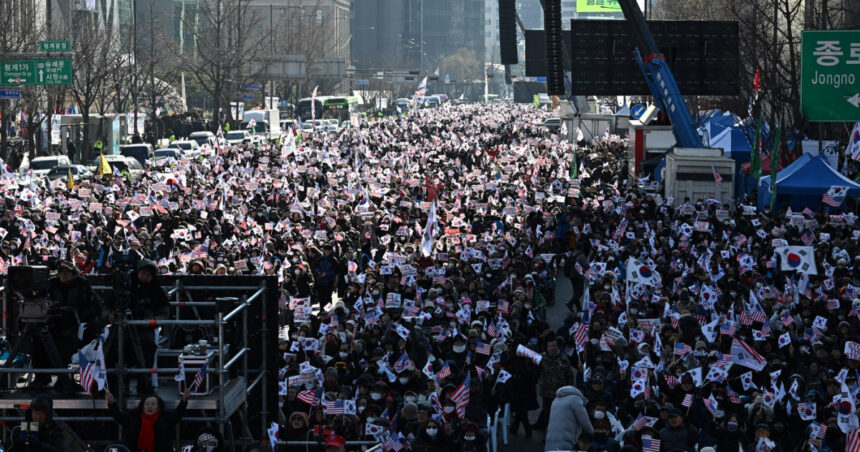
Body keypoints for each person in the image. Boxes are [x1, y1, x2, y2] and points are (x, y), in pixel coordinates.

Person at [103, 259, 169, 395]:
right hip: (122, 326)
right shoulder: (124, 287)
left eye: (149, 275)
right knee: (115, 347)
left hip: (144, 328)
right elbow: (105, 306)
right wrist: (109, 315)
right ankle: (116, 386)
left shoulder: (157, 291)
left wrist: (153, 320)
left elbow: (165, 314)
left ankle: (144, 385)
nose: (145, 277)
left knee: (147, 346)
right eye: (143, 273)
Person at [106, 387, 190, 452]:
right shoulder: (133, 417)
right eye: (147, 404)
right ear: (143, 406)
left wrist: (184, 400)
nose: (150, 406)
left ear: (158, 407)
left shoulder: (165, 418)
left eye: (153, 404)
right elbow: (119, 417)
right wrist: (112, 403)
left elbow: (177, 415)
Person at [544, 385, 593, 452]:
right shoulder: (576, 399)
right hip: (565, 440)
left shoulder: (556, 399)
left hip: (551, 439)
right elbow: (585, 422)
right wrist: (593, 434)